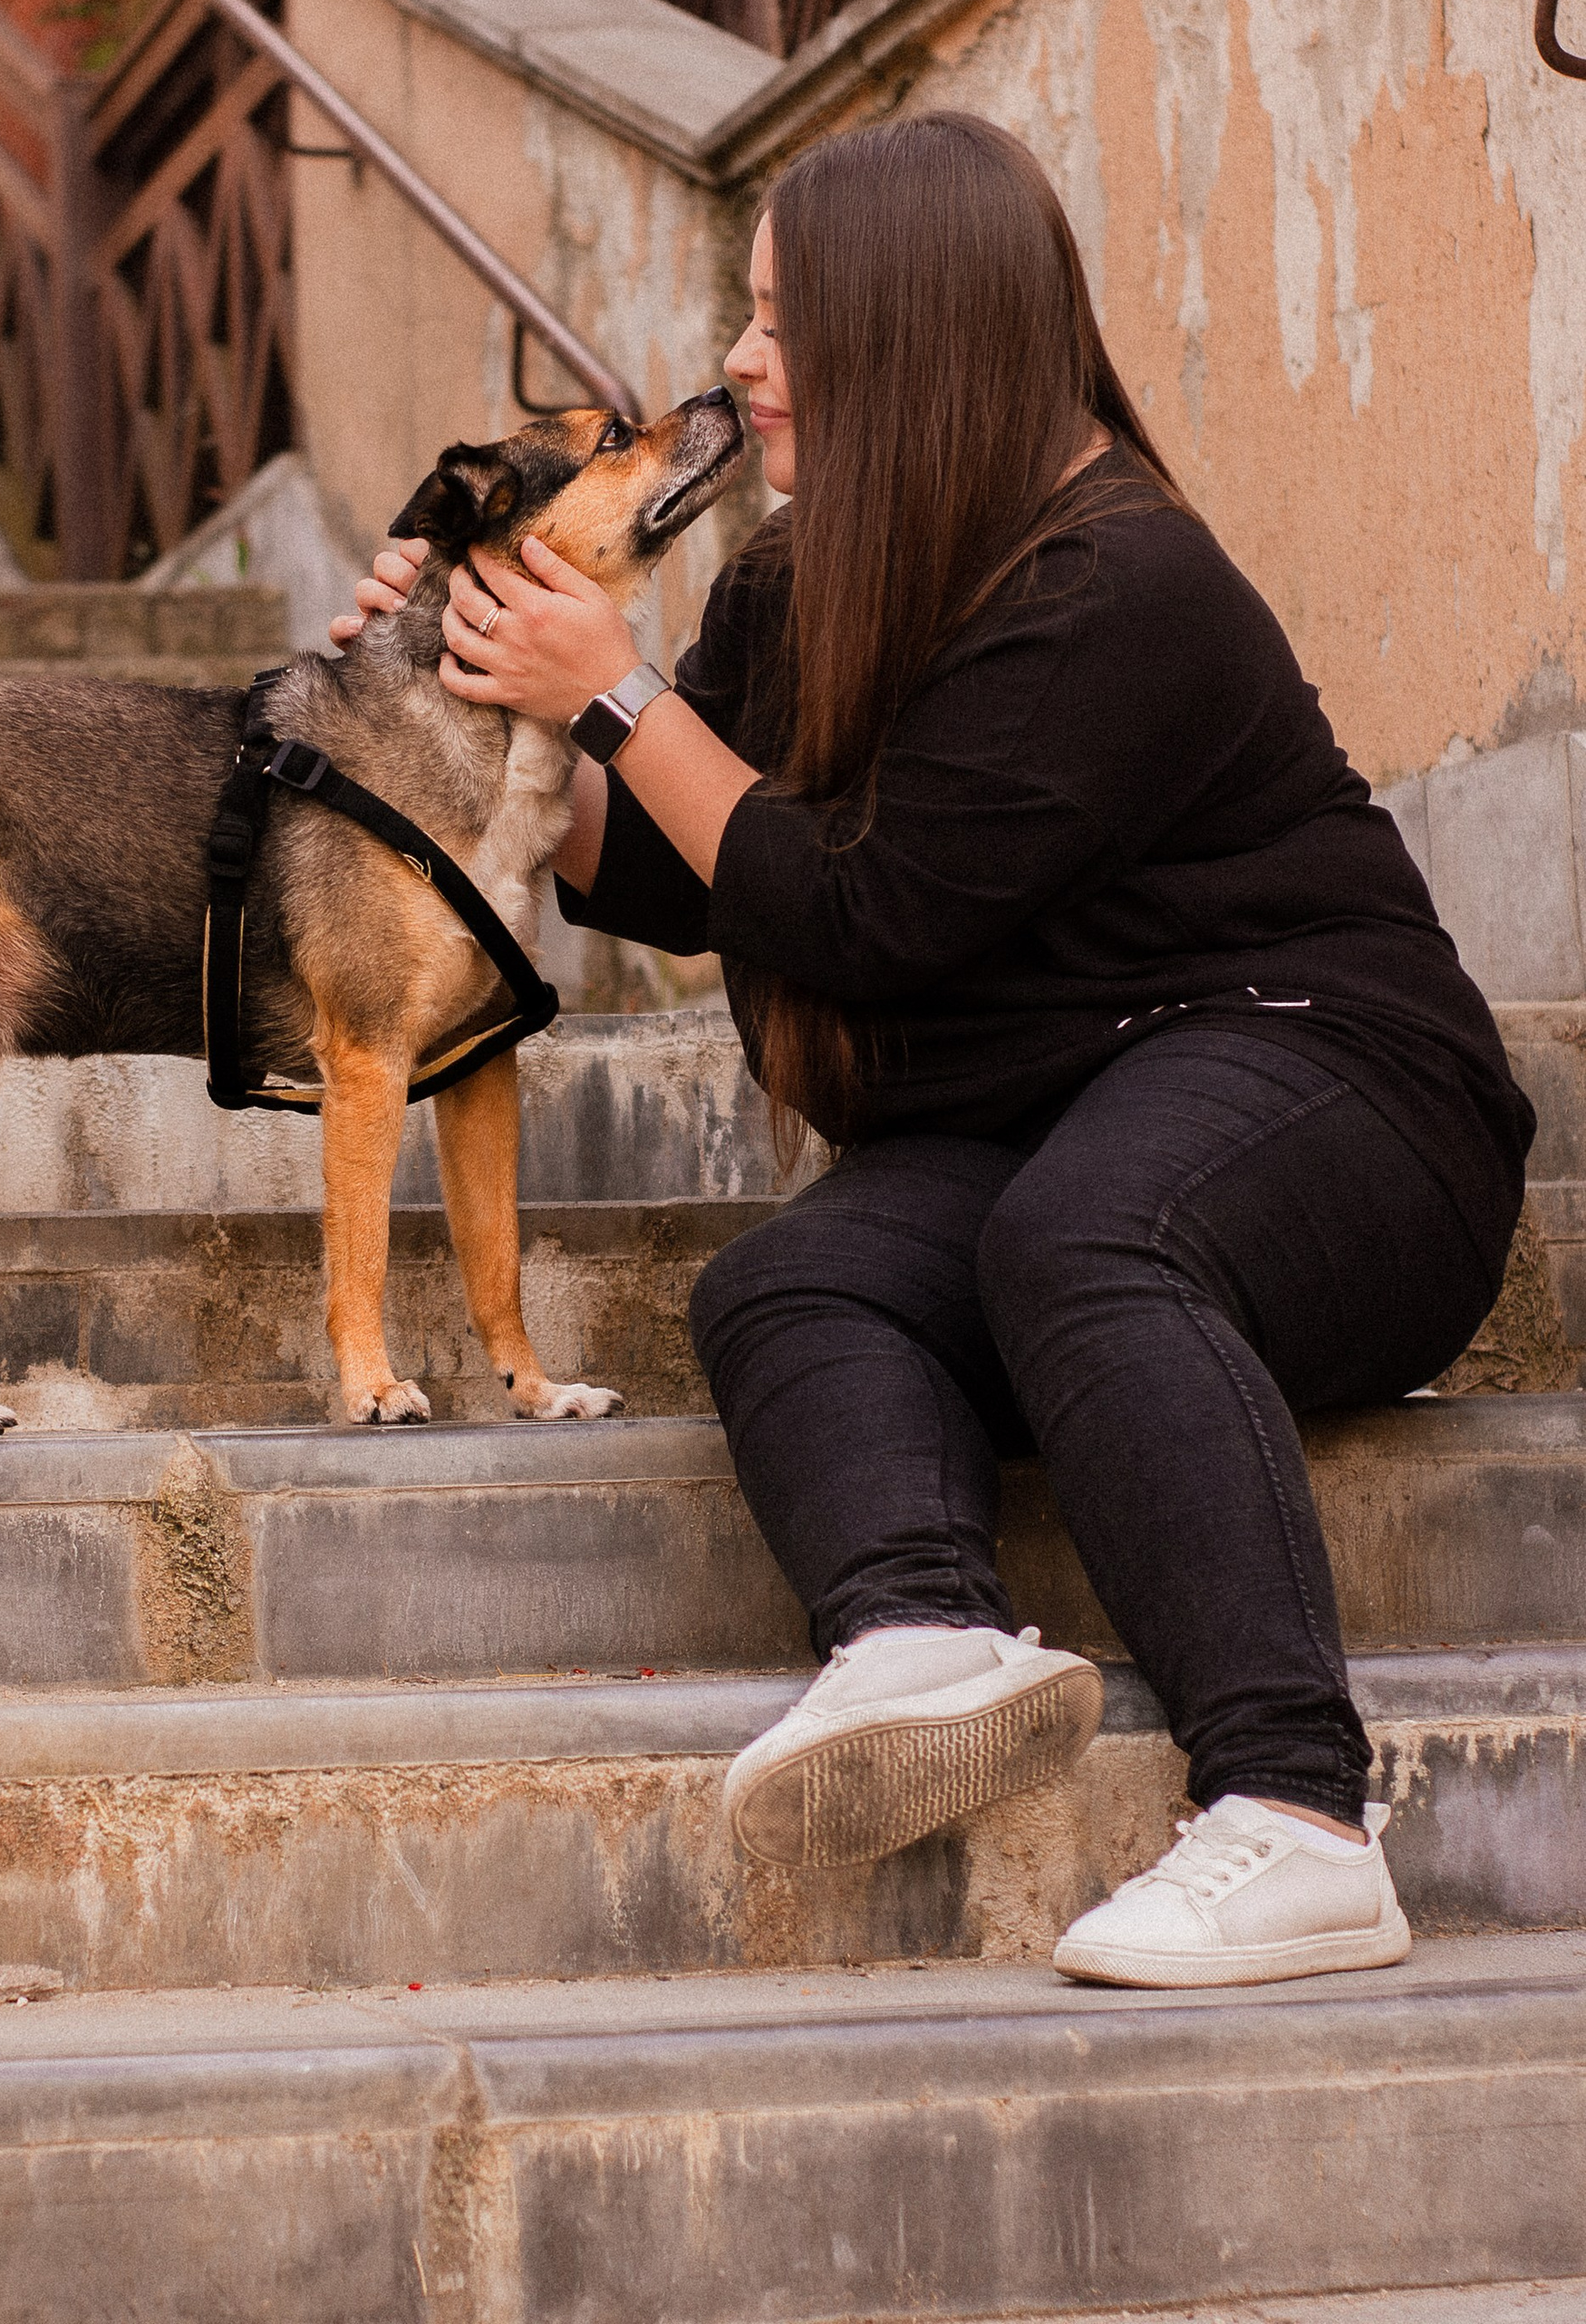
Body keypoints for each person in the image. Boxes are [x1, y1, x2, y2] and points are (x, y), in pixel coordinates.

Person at [333, 111, 1530, 1990]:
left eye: (785, 326)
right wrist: (454, 702)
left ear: (927, 335)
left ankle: (1297, 1815)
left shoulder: (1114, 586)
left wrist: (617, 687)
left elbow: (853, 910)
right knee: (791, 1284)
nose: (737, 365)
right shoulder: (799, 580)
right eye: (746, 316)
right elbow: (661, 857)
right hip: (1062, 1126)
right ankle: (918, 1641)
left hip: (1337, 1107)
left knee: (1089, 1235)